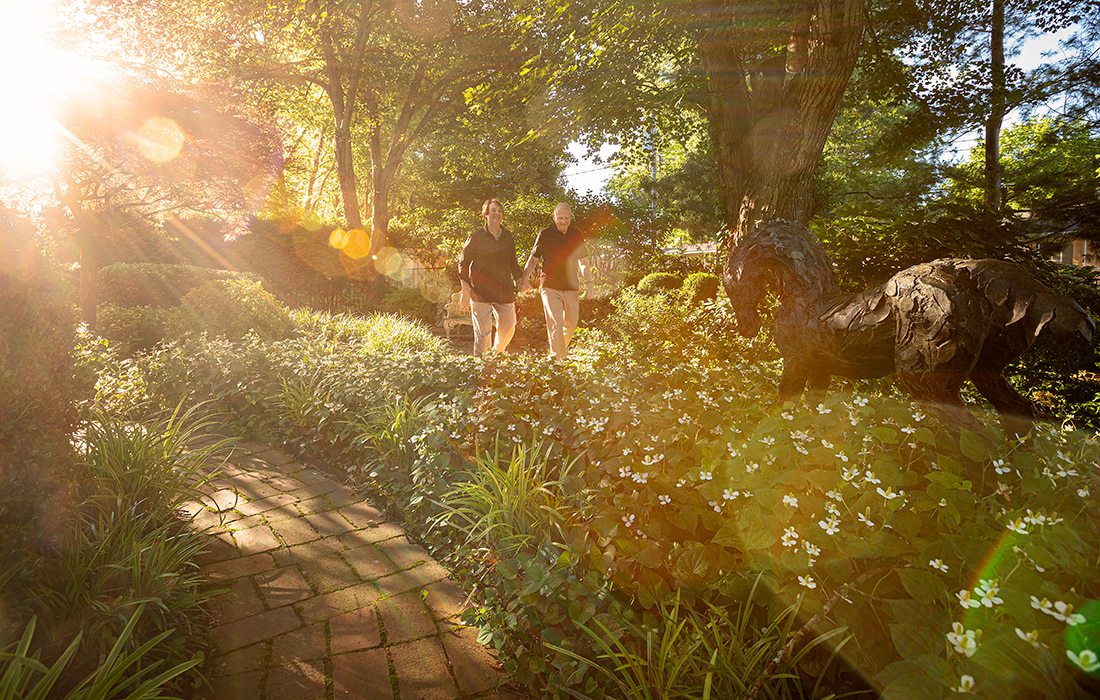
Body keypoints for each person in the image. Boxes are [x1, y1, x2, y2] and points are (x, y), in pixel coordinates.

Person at [523, 202, 591, 359]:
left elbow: (583, 262)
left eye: (566, 218)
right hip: (550, 285)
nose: (563, 221)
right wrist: (525, 279)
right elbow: (533, 260)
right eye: (560, 218)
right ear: (554, 217)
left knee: (572, 324)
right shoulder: (545, 234)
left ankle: (555, 353)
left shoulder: (576, 235)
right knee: (556, 323)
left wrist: (590, 283)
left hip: (571, 285)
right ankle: (560, 360)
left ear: (571, 218)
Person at [458, 198, 526, 355]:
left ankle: (496, 354)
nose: (497, 213)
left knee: (509, 326)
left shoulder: (508, 236)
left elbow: (513, 263)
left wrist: (520, 279)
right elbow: (464, 263)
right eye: (493, 210)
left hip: (504, 289)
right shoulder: (477, 236)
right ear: (486, 214)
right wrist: (465, 291)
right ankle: (481, 368)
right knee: (483, 334)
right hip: (480, 291)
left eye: (500, 211)